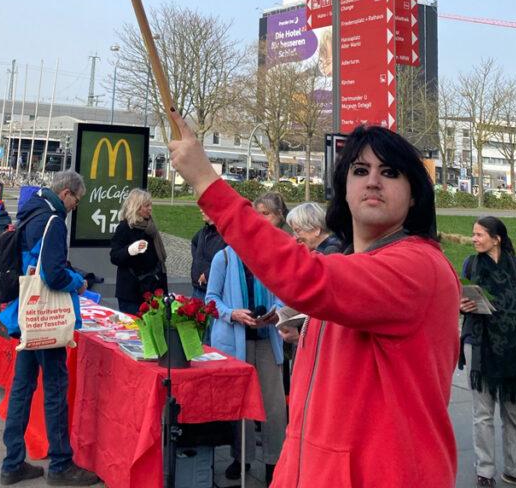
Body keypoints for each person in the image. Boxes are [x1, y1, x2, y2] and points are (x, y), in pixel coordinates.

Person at [169, 117, 460, 488]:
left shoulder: (419, 265)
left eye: (389, 172)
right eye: (360, 169)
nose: (373, 180)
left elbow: (306, 279)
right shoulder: (356, 267)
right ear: (344, 187)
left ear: (415, 193)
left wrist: (207, 182)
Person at [0, 171, 99, 486]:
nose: (75, 207)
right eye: (76, 201)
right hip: (48, 318)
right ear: (66, 193)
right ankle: (60, 465)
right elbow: (53, 274)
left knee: (22, 386)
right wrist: (77, 282)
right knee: (55, 388)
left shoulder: (30, 211)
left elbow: (34, 261)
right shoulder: (54, 220)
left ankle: (12, 462)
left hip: (27, 314)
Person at [207, 193, 288, 485]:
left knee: (274, 406)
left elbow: (283, 293)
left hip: (267, 339)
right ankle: (241, 458)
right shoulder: (224, 257)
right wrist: (232, 314)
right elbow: (210, 301)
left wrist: (277, 311)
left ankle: (273, 461)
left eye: (265, 215)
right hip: (236, 341)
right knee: (241, 405)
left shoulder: (272, 254)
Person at [459, 216, 516, 488]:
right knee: (483, 414)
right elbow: (458, 298)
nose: (474, 239)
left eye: (479, 234)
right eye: (473, 234)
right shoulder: (470, 264)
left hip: (515, 348)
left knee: (513, 412)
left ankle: (514, 469)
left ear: (497, 238)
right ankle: (485, 471)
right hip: (480, 344)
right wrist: (462, 306)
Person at [109, 187, 167, 315]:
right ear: (137, 207)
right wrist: (130, 250)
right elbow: (114, 256)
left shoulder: (151, 228)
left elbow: (158, 261)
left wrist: (163, 290)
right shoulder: (125, 227)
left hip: (151, 290)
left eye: (150, 205)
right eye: (146, 205)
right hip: (130, 293)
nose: (150, 208)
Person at [190, 206, 225, 299]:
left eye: (205, 207)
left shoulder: (225, 235)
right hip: (197, 288)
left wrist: (208, 274)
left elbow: (228, 259)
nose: (201, 210)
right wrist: (197, 260)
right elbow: (194, 242)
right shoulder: (204, 231)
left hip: (214, 292)